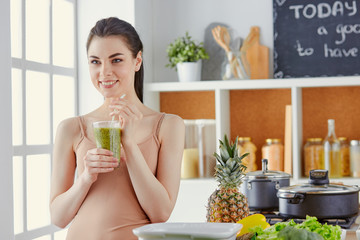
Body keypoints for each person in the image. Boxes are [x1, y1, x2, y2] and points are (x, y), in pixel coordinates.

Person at [49, 17, 185, 240]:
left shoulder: (168, 125)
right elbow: (58, 217)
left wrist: (129, 144)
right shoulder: (71, 128)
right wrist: (85, 178)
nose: (104, 72)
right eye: (95, 62)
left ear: (137, 61)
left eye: (116, 60)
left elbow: (161, 213)